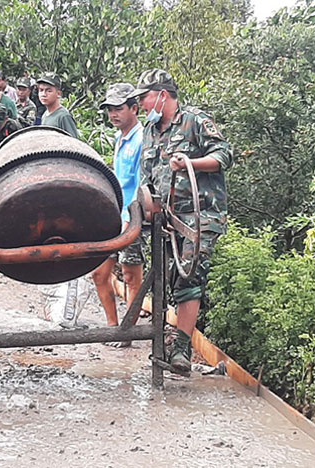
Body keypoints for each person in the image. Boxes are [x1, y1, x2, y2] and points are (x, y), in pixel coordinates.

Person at [128, 69, 233, 373]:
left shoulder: (194, 121)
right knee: (164, 279)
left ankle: (182, 350)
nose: (142, 106)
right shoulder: (149, 132)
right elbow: (147, 176)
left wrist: (190, 162)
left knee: (189, 277)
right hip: (166, 220)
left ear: (162, 95)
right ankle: (165, 340)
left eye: (144, 98)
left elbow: (224, 155)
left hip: (201, 216)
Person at [90, 83, 145, 347]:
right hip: (113, 214)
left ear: (134, 108)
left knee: (131, 274)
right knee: (100, 272)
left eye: (119, 109)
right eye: (110, 109)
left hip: (132, 216)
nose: (114, 114)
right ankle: (112, 326)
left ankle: (127, 333)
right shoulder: (120, 138)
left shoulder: (142, 139)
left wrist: (130, 218)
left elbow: (141, 182)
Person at [38, 72, 78, 138]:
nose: (44, 94)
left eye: (49, 91)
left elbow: (73, 143)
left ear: (58, 94)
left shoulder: (63, 116)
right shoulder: (45, 115)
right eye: (41, 90)